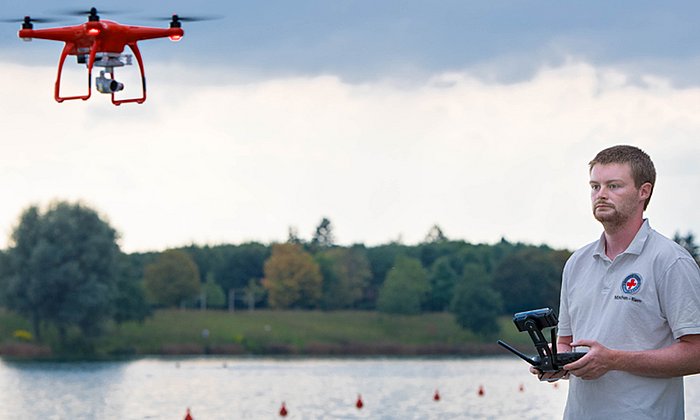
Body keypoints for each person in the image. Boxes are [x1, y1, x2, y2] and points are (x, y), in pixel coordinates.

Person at [540, 145, 700, 419]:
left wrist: (614, 360)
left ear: (643, 191)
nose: (600, 194)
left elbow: (696, 353)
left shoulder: (671, 261)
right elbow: (567, 342)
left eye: (613, 186)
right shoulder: (577, 263)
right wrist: (556, 361)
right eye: (595, 186)